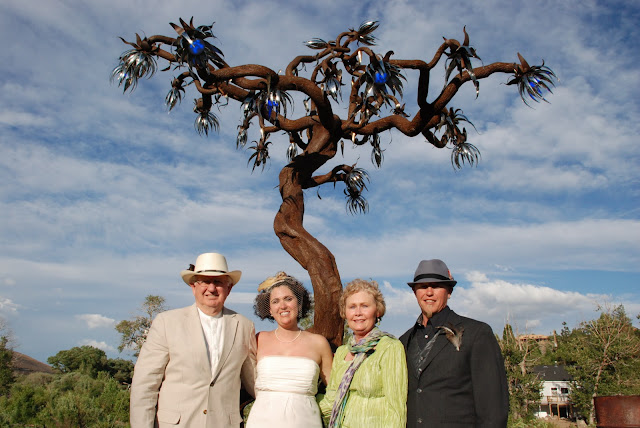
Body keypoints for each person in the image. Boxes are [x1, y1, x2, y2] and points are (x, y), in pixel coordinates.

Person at [130, 252, 257, 428]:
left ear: (229, 288)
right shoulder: (167, 322)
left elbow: (254, 381)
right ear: (193, 286)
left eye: (218, 282)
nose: (211, 288)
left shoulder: (245, 326)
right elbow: (145, 384)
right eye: (205, 281)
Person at [399, 259, 509, 428]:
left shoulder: (477, 334)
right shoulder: (403, 342)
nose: (429, 292)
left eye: (436, 286)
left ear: (449, 291)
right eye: (423, 286)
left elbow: (493, 410)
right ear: (415, 292)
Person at [246, 272, 333, 428]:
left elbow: (335, 389)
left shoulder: (319, 343)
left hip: (306, 421)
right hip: (261, 422)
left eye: (288, 299)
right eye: (275, 301)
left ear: (299, 304)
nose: (283, 306)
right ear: (269, 309)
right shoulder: (259, 339)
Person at [319, 279, 407, 428]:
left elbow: (396, 408)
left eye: (365, 306)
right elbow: (331, 401)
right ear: (345, 313)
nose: (358, 313)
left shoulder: (389, 347)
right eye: (352, 307)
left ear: (377, 311)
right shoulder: (342, 352)